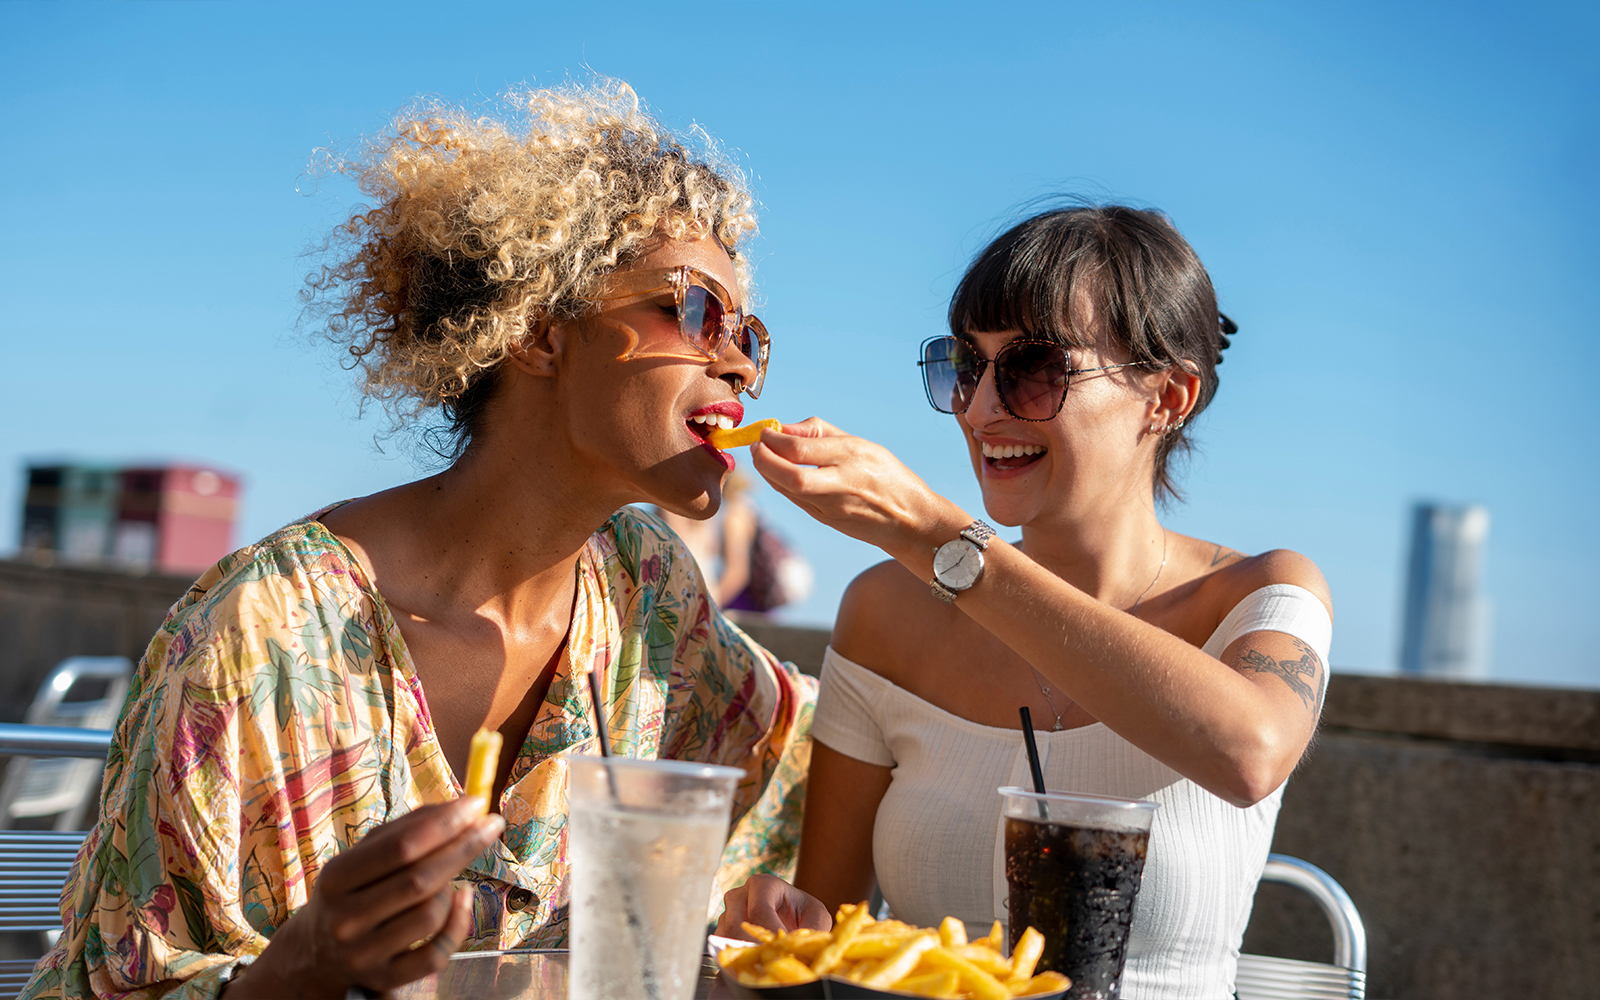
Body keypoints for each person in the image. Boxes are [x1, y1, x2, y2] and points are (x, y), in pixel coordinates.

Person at [24, 81, 815, 1000]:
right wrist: (306, 965)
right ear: (538, 334)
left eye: (749, 335)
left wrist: (927, 542)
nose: (738, 363)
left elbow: (815, 744)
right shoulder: (265, 633)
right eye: (696, 311)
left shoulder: (646, 591)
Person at [720, 206, 1333, 999]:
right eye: (965, 367)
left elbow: (1249, 753)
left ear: (1168, 397)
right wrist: (779, 923)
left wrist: (936, 538)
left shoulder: (1258, 594)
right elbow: (827, 930)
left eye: (1034, 368)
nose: (979, 410)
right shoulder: (885, 614)